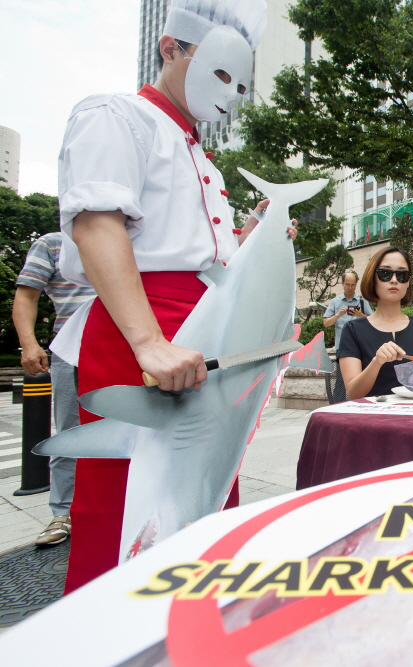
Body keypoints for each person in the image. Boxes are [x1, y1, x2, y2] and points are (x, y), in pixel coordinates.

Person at [50, 0, 298, 594]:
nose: (231, 93)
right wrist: (147, 342)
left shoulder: (200, 155)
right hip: (141, 330)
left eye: (241, 84)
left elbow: (196, 257)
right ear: (170, 49)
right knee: (127, 506)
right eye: (220, 73)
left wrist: (250, 241)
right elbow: (97, 224)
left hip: (207, 336)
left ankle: (190, 632)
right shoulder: (116, 115)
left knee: (204, 503)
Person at [12, 232, 96, 546]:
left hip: (127, 344)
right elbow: (26, 295)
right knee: (70, 431)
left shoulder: (134, 236)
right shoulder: (52, 244)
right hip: (71, 348)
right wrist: (29, 344)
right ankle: (63, 511)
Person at [338, 247, 413, 399]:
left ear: (408, 282)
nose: (394, 280)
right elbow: (353, 393)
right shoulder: (353, 330)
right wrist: (376, 362)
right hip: (372, 411)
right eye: (385, 273)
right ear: (372, 278)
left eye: (402, 275)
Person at [323, 270, 372, 350]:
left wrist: (360, 315)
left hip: (359, 345)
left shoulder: (362, 301)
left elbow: (372, 322)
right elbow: (326, 323)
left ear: (356, 284)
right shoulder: (335, 302)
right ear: (342, 284)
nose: (350, 288)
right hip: (341, 346)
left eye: (353, 285)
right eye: (347, 284)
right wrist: (338, 315)